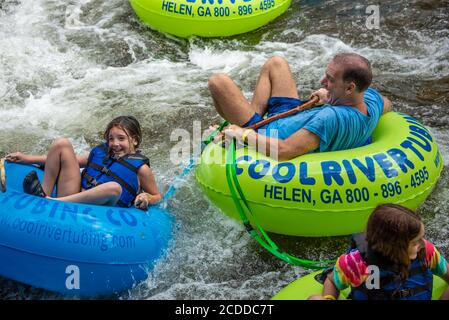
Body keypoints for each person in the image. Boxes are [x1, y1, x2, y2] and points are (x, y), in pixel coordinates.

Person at [208, 53, 391, 160]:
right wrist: (331, 96)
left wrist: (244, 134)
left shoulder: (330, 118)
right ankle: (251, 119)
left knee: (217, 82)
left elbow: (284, 151)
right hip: (290, 118)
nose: (322, 81)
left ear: (350, 88)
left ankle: (248, 125)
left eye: (330, 79)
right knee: (276, 63)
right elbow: (387, 105)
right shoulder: (372, 102)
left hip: (270, 134)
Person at [6, 116, 162, 210]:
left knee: (114, 188)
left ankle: (50, 202)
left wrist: (147, 197)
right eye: (111, 139)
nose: (115, 143)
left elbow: (157, 195)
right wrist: (27, 158)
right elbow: (69, 160)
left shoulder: (141, 169)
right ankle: (43, 194)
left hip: (100, 210)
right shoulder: (103, 152)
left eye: (121, 138)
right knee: (62, 143)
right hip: (73, 196)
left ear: (134, 139)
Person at [308, 204, 449, 300]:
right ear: (393, 246)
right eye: (415, 242)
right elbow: (332, 280)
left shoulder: (427, 252)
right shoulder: (356, 264)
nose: (422, 243)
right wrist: (328, 298)